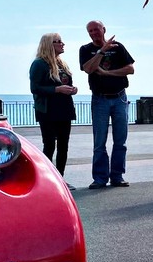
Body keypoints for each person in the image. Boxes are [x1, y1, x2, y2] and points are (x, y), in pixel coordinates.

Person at [80, 20, 135, 189]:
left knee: (120, 140)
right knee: (99, 141)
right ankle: (100, 178)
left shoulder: (118, 47)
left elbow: (130, 69)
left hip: (119, 98)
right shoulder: (85, 49)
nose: (94, 33)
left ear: (104, 29)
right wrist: (102, 51)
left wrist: (107, 73)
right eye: (90, 31)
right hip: (100, 99)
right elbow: (88, 68)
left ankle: (117, 176)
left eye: (96, 29)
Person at [30, 33, 78, 190]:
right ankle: (48, 179)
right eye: (57, 42)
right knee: (49, 145)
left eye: (61, 41)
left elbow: (65, 83)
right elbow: (35, 88)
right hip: (48, 110)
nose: (62, 44)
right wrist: (57, 89)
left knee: (64, 145)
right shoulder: (39, 64)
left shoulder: (62, 64)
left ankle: (60, 178)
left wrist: (72, 89)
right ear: (48, 45)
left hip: (64, 109)